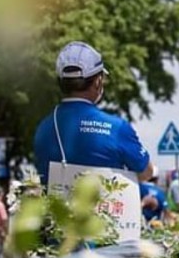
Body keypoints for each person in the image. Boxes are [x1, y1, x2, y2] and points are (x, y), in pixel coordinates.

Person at [33, 41, 153, 187]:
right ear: (98, 81)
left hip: (56, 209)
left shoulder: (43, 128)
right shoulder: (117, 128)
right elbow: (146, 172)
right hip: (104, 209)